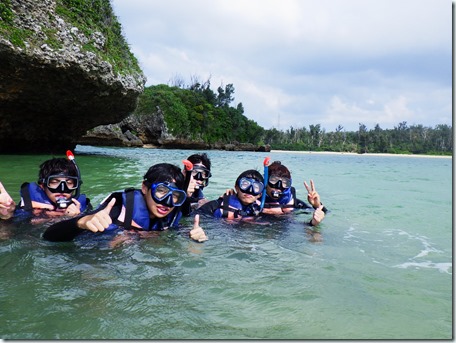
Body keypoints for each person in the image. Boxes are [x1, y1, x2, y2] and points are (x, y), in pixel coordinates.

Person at [42, 163, 208, 243]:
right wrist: (81, 222)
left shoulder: (172, 215)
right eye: (161, 192)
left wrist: (193, 236)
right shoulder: (117, 207)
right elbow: (48, 236)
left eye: (175, 196)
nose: (167, 203)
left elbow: (176, 230)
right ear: (145, 187)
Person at [0, 157, 91, 221]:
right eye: (54, 182)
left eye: (69, 183)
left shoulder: (84, 209)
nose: (62, 189)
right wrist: (7, 215)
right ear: (43, 185)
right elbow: (7, 235)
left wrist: (76, 219)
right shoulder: (29, 209)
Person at [261, 161, 327, 227]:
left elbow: (325, 213)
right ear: (266, 180)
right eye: (273, 180)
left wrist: (317, 205)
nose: (278, 186)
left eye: (285, 182)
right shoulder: (257, 202)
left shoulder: (294, 203)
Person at [198, 169, 264, 220]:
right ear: (237, 187)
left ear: (260, 194)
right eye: (245, 185)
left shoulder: (260, 210)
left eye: (256, 188)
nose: (250, 190)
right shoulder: (215, 206)